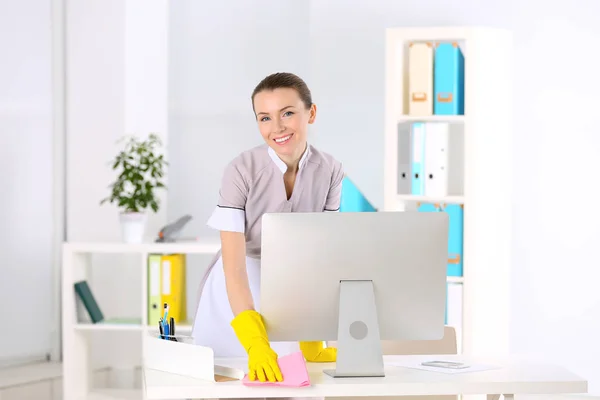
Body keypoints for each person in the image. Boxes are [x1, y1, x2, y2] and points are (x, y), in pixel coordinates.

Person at [191, 72, 343, 383]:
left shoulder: (330, 170)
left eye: (287, 113)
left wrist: (313, 335)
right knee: (231, 383)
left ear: (310, 113)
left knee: (291, 386)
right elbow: (234, 268)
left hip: (291, 291)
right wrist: (256, 343)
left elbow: (320, 256)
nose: (277, 128)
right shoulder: (241, 171)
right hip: (235, 294)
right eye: (265, 118)